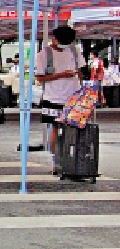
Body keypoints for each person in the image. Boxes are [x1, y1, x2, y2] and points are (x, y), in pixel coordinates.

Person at [33, 25, 84, 172]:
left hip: (74, 97)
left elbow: (80, 72)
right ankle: (56, 161)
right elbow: (39, 77)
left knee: (74, 129)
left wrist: (83, 91)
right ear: (54, 39)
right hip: (53, 98)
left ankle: (73, 160)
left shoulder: (75, 51)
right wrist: (61, 75)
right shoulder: (44, 54)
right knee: (55, 128)